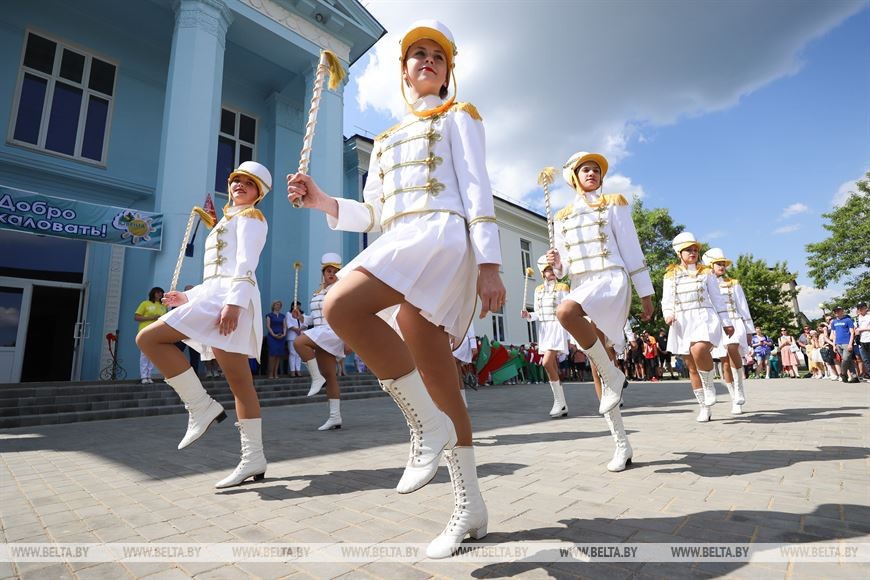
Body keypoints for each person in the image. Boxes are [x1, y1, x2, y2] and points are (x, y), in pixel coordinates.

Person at [286, 20, 505, 558]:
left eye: (437, 55)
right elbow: (374, 212)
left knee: (340, 303)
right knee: (436, 377)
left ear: (448, 71)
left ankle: (426, 427)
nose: (427, 60)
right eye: (417, 54)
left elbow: (477, 187)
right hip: (401, 240)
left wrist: (491, 264)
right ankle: (469, 505)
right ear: (404, 69)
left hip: (444, 235)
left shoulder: (460, 117)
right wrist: (321, 201)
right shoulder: (383, 141)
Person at [136, 161, 272, 488]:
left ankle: (201, 407)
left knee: (151, 339)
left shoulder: (251, 217)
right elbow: (213, 275)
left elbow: (245, 264)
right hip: (213, 295)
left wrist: (235, 303)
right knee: (240, 383)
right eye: (236, 180)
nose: (239, 185)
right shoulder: (227, 220)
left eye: (248, 183)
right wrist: (189, 296)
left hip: (230, 297)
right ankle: (253, 457)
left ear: (259, 193)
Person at [548, 151, 654, 472]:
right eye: (585, 170)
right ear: (575, 179)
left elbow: (631, 248)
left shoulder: (614, 204)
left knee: (566, 312)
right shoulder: (562, 217)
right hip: (581, 283)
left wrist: (646, 293)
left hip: (610, 279)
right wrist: (556, 264)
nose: (591, 174)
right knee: (599, 362)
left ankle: (613, 375)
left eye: (595, 170)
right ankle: (621, 443)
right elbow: (565, 269)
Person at [662, 232, 734, 422]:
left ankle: (710, 386)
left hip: (704, 315)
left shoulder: (706, 272)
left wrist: (726, 322)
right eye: (688, 250)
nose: (693, 253)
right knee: (691, 367)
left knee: (699, 348)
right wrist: (668, 314)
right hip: (682, 320)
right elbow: (667, 300)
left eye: (695, 250)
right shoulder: (671, 274)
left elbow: (718, 299)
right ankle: (704, 407)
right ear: (680, 253)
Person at [291, 253, 347, 430]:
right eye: (328, 271)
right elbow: (314, 319)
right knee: (331, 376)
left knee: (299, 343)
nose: (331, 274)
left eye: (334, 271)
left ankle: (316, 378)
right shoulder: (318, 292)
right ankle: (335, 417)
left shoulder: (340, 290)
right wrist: (301, 317)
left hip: (331, 331)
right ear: (323, 273)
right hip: (320, 332)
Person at [702, 248, 755, 414]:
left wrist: (749, 330)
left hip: (734, 321)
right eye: (718, 263)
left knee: (732, 348)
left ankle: (740, 389)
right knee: (724, 362)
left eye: (723, 263)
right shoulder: (703, 284)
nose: (722, 266)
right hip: (716, 324)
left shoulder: (733, 283)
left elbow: (743, 306)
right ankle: (734, 399)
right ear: (710, 265)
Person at [521, 255, 572, 417]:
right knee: (552, 366)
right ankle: (562, 403)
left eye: (552, 269)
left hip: (558, 327)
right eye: (548, 270)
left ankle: (559, 402)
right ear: (543, 272)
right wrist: (528, 315)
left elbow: (568, 312)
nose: (552, 272)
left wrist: (571, 337)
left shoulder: (563, 287)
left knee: (547, 363)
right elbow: (538, 314)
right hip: (544, 330)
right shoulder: (538, 290)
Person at [135, 287, 167, 384]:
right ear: (153, 293)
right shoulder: (145, 303)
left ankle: (149, 376)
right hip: (145, 331)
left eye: (161, 293)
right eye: (158, 292)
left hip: (157, 332)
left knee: (153, 355)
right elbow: (136, 317)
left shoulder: (164, 306)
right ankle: (144, 376)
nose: (160, 294)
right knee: (144, 354)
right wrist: (152, 317)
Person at [830, 306, 859, 382]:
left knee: (845, 359)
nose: (836, 312)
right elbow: (834, 334)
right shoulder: (834, 322)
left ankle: (843, 374)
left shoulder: (848, 320)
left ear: (842, 311)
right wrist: (834, 345)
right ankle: (854, 377)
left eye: (838, 310)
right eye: (835, 311)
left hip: (846, 342)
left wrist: (850, 343)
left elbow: (852, 332)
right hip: (838, 343)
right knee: (848, 360)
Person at [265, 300, 287, 379]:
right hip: (272, 337)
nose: (278, 306)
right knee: (272, 355)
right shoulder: (269, 315)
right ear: (273, 306)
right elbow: (268, 326)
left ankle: (275, 373)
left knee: (278, 355)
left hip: (281, 336)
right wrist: (273, 334)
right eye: (276, 305)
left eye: (279, 305)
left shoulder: (282, 316)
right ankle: (270, 373)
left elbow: (284, 326)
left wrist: (284, 334)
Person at [285, 301, 304, 377]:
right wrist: (296, 330)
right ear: (293, 306)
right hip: (292, 336)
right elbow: (289, 324)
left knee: (299, 353)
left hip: (300, 335)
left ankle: (298, 370)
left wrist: (301, 329)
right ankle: (292, 370)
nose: (298, 307)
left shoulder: (302, 314)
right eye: (297, 306)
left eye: (299, 306)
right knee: (293, 353)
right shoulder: (289, 314)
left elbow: (304, 323)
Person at [854, 302, 870, 381]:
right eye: (859, 308)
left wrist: (861, 329)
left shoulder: (869, 316)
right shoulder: (857, 318)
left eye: (862, 307)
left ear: (866, 308)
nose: (860, 309)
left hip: (869, 339)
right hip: (862, 341)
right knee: (865, 359)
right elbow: (856, 329)